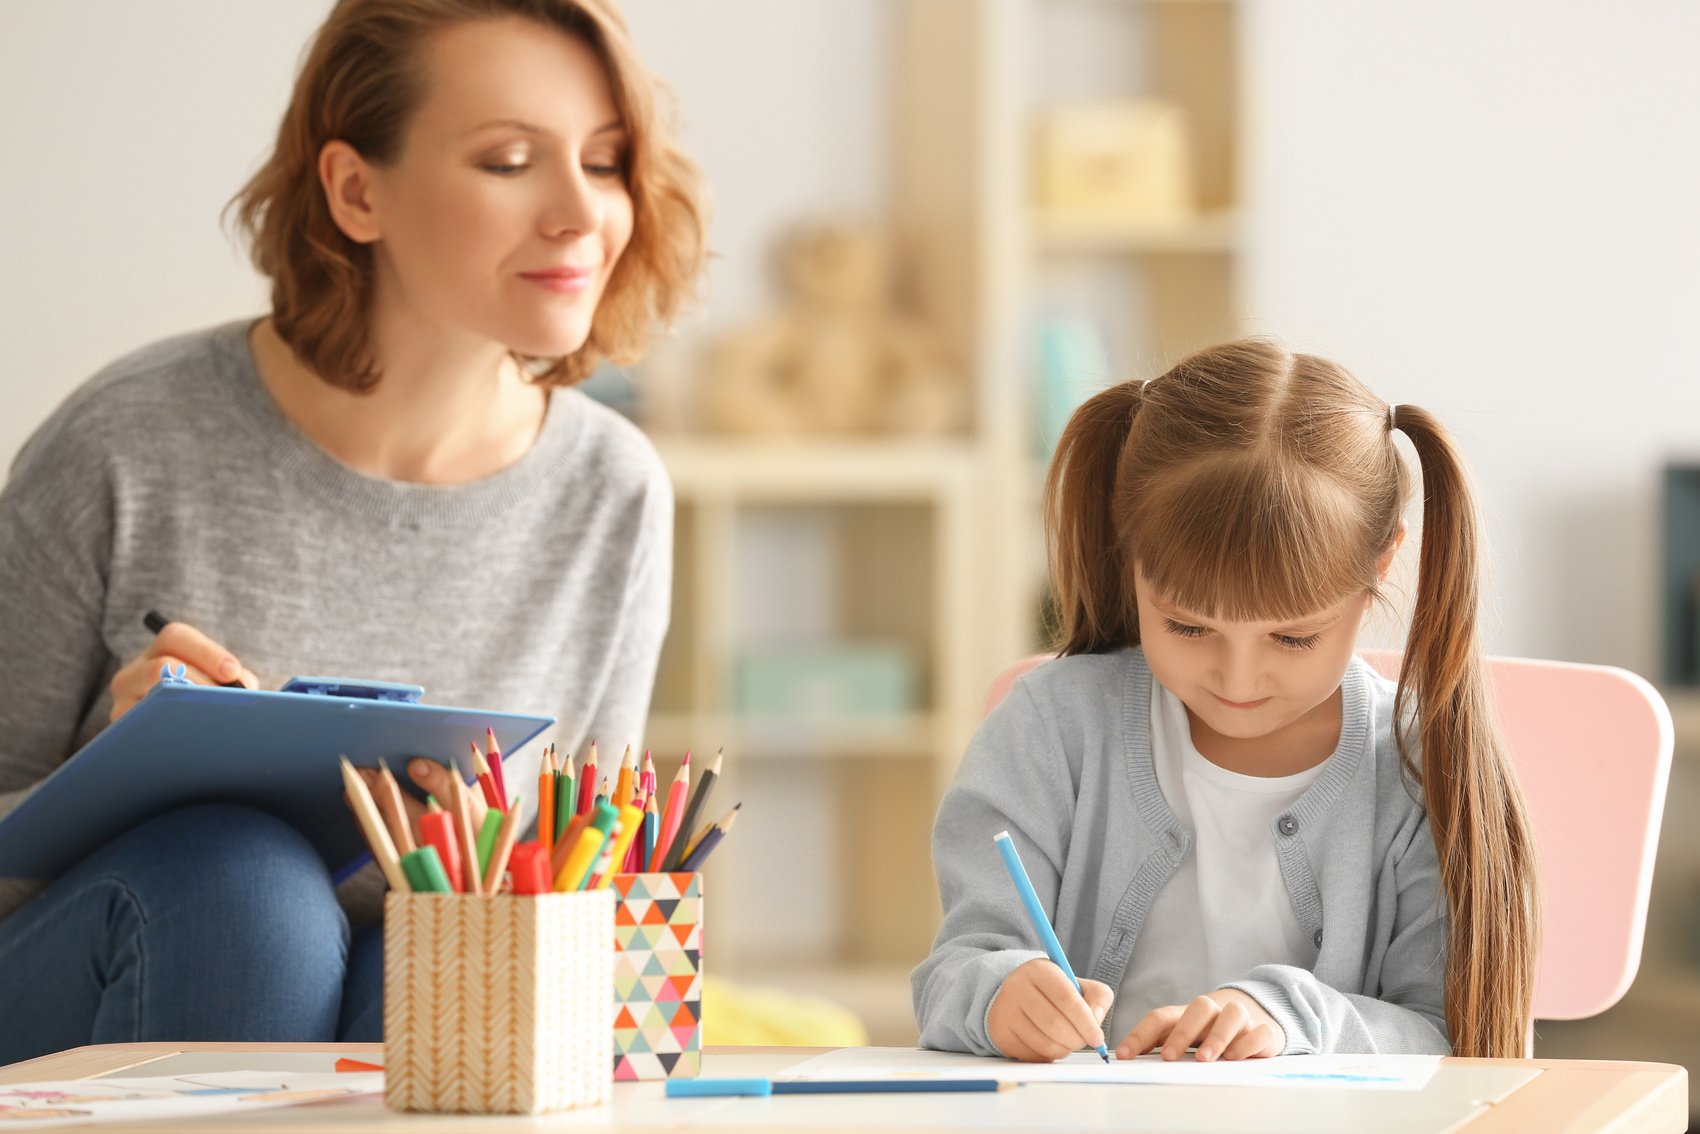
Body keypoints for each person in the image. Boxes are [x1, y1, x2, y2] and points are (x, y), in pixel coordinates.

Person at [0, 0, 706, 1064]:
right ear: (354, 189)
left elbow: (580, 882)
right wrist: (115, 772)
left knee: (470, 959)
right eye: (510, 160)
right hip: (112, 973)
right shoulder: (127, 441)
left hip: (392, 1008)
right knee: (246, 888)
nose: (579, 212)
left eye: (606, 163)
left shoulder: (612, 492)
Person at [912, 340, 1538, 1063]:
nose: (1237, 682)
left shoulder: (1417, 763)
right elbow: (956, 971)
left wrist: (1288, 1018)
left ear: (1382, 562)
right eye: (1188, 626)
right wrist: (998, 993)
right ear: (1130, 550)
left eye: (1293, 638)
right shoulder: (1053, 728)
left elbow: (1442, 1035)